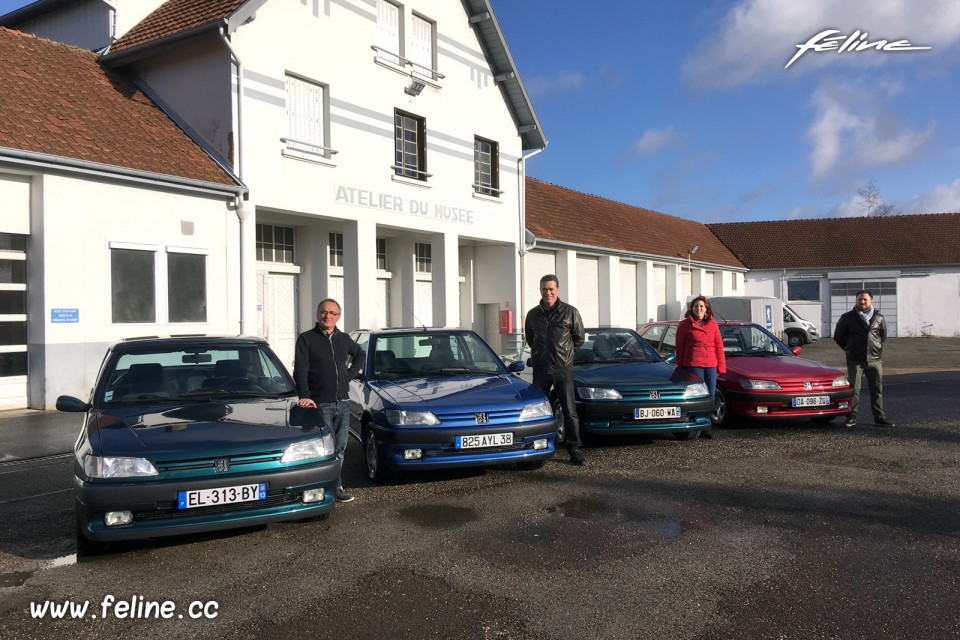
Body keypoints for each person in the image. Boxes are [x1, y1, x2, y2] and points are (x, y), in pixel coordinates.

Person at [293, 298, 365, 502]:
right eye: (324, 312)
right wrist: (305, 396)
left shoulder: (343, 338)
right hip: (319, 403)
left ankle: (336, 486)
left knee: (340, 448)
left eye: (332, 313)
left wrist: (347, 376)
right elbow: (301, 370)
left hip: (342, 403)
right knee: (324, 449)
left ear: (338, 316)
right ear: (318, 314)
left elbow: (361, 355)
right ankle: (320, 488)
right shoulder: (306, 339)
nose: (328, 316)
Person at [524, 274, 587, 466]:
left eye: (551, 289)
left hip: (563, 369)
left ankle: (574, 448)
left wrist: (566, 356)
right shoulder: (533, 314)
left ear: (557, 290)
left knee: (569, 411)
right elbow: (530, 339)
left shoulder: (570, 312)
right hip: (541, 370)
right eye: (544, 289)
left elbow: (579, 338)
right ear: (540, 290)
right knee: (538, 411)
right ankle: (539, 449)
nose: (548, 292)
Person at [833, 290, 894, 429]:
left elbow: (882, 336)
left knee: (877, 389)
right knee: (854, 390)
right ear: (856, 300)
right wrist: (850, 349)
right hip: (855, 361)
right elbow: (838, 337)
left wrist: (875, 349)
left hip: (875, 360)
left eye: (865, 299)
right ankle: (851, 418)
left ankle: (880, 418)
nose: (862, 302)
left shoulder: (879, 317)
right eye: (859, 299)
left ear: (871, 301)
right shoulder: (847, 317)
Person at [675, 296, 726, 438]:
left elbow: (719, 347)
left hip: (710, 365)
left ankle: (707, 426)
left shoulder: (713, 325)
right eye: (696, 306)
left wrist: (721, 368)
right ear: (692, 308)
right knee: (697, 396)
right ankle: (695, 424)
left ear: (706, 309)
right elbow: (679, 347)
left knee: (711, 396)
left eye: (701, 306)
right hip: (693, 365)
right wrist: (680, 366)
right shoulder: (685, 325)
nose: (699, 309)